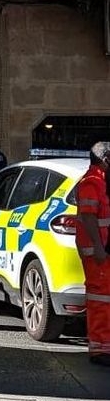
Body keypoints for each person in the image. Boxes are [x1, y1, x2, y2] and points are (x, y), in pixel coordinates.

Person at [75, 141, 110, 367]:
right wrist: (98, 247)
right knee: (100, 299)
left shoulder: (101, 181)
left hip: (103, 249)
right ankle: (99, 349)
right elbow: (88, 217)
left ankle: (103, 345)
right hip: (97, 251)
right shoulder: (92, 182)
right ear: (105, 160)